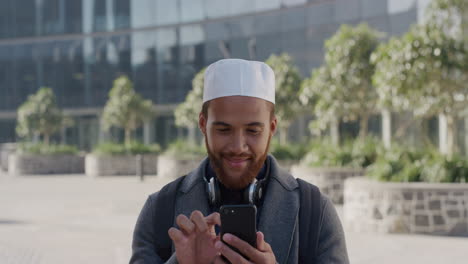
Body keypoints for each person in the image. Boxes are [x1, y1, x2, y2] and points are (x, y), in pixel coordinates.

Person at [130, 59, 349, 264]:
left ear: (272, 128)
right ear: (202, 124)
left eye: (253, 130)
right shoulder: (159, 209)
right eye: (224, 129)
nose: (238, 146)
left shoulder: (315, 211)